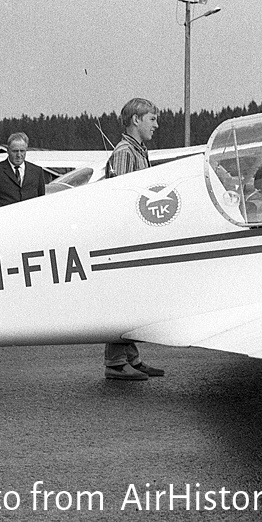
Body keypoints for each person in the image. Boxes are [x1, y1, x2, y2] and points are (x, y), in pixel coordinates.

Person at [103, 98, 165, 382]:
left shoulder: (139, 150)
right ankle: (115, 364)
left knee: (133, 300)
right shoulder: (126, 153)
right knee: (125, 300)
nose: (156, 124)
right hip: (126, 238)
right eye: (152, 119)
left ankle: (132, 359)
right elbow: (124, 202)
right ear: (136, 120)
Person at [0, 133, 45, 212]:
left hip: (29, 221)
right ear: (8, 151)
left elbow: (41, 201)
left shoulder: (37, 171)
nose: (19, 155)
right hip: (3, 222)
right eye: (15, 151)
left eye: (22, 151)